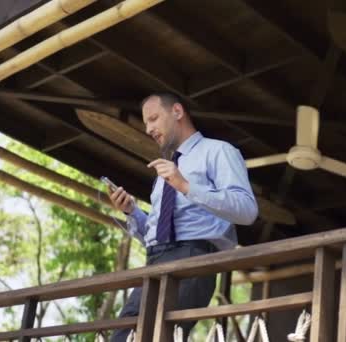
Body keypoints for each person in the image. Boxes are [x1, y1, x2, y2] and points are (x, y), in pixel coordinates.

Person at [109, 92, 259, 341]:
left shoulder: (218, 151)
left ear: (177, 112)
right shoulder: (164, 172)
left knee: (158, 336)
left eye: (154, 118)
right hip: (155, 261)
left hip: (193, 259)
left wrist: (187, 186)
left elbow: (247, 210)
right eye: (147, 123)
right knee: (124, 335)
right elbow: (158, 235)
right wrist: (131, 211)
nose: (149, 129)